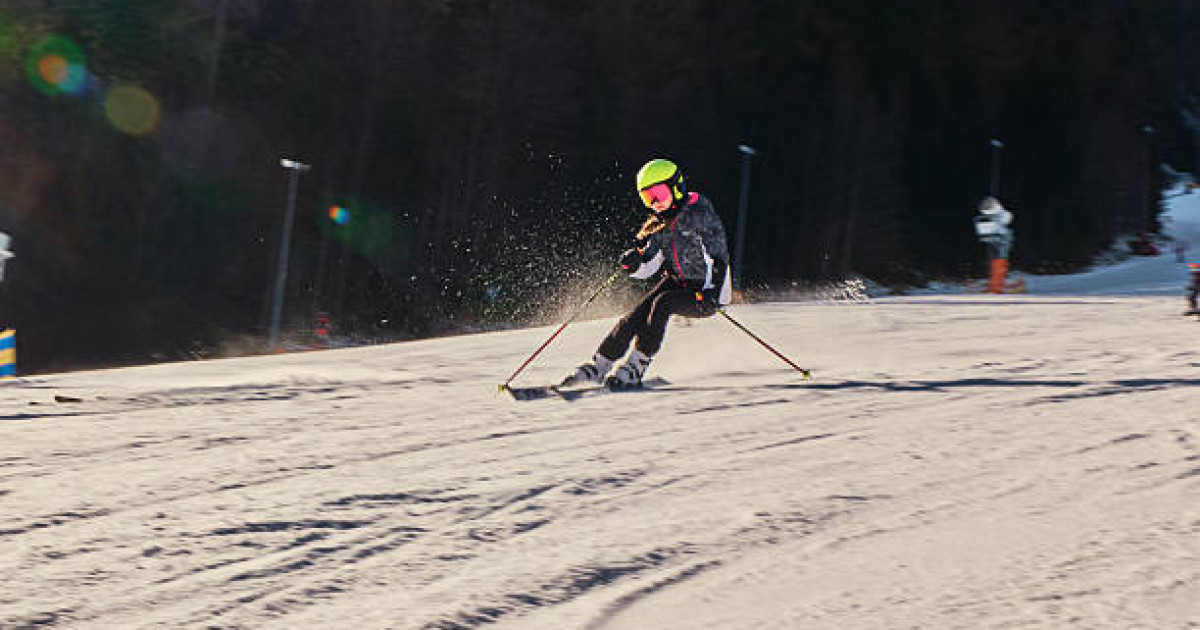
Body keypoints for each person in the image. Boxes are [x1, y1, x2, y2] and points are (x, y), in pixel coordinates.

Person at [562, 158, 733, 389]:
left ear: (677, 187)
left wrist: (713, 291)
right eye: (647, 197)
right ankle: (599, 366)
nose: (655, 203)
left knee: (663, 303)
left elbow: (717, 257)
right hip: (678, 282)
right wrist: (634, 264)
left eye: (659, 194)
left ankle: (636, 366)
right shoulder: (661, 223)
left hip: (708, 292)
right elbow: (650, 265)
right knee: (636, 314)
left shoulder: (699, 214)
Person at [973, 197, 1013, 293]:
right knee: (991, 260)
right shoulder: (985, 216)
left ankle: (998, 283)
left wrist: (997, 222)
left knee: (1000, 260)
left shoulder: (1003, 214)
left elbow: (1007, 219)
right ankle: (994, 281)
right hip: (991, 239)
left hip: (1002, 239)